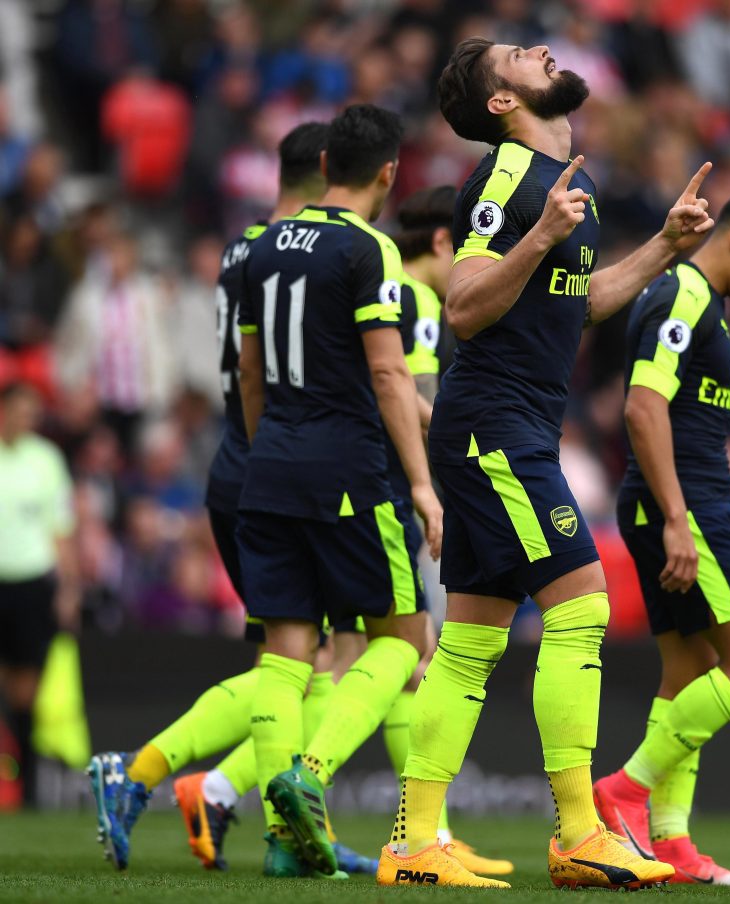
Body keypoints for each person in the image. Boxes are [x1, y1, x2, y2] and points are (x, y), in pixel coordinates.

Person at [377, 38, 712, 890]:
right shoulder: (502, 180)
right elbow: (462, 306)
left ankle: (415, 841)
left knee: (468, 646)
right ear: (501, 103)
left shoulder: (574, 187)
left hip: (510, 422)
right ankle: (576, 832)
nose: (539, 49)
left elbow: (584, 301)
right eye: (518, 55)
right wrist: (538, 237)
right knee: (582, 608)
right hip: (494, 425)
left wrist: (666, 246)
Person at [86, 123, 360, 879]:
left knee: (304, 659)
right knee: (306, 658)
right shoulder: (309, 252)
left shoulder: (244, 247)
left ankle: (206, 788)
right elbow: (276, 371)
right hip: (280, 470)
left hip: (245, 466)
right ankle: (189, 786)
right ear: (331, 173)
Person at [235, 104, 443, 878]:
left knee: (287, 654)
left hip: (273, 466)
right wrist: (422, 483)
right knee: (404, 638)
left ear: (325, 168)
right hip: (349, 472)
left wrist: (271, 456)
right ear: (388, 173)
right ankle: (309, 777)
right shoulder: (371, 249)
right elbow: (390, 372)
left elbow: (250, 374)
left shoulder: (260, 250)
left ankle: (282, 842)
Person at [592, 185, 730, 885]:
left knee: (690, 673)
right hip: (682, 510)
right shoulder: (681, 292)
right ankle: (625, 789)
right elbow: (643, 407)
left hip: (685, 505)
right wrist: (680, 520)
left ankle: (672, 845)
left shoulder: (703, 306)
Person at [333, 184, 514, 876]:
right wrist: (455, 460)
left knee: (340, 657)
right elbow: (409, 391)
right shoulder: (413, 299)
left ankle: (425, 827)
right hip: (384, 491)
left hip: (338, 484)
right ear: (443, 241)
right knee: (409, 654)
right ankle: (412, 826)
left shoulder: (380, 283)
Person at [0, 381, 79, 807]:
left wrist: (68, 587)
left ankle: (26, 787)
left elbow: (61, 529)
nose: (27, 419)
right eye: (20, 410)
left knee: (26, 690)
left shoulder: (46, 460)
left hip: (31, 585)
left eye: (33, 412)